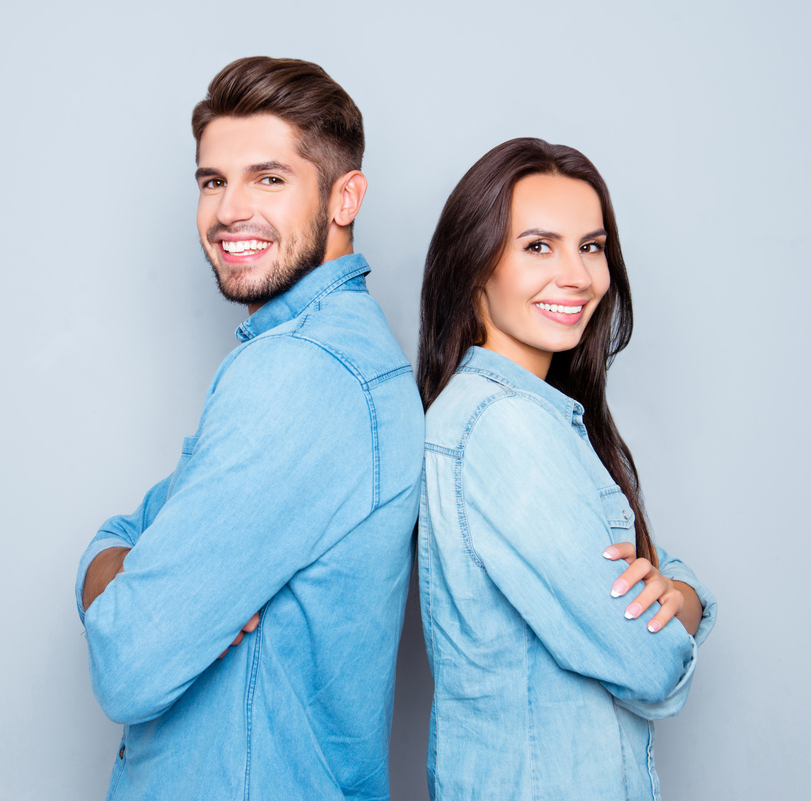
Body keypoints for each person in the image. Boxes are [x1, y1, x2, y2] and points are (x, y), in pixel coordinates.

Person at [75, 57, 424, 800]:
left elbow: (129, 660)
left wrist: (124, 576)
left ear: (344, 196)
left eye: (268, 178)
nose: (230, 210)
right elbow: (132, 529)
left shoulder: (301, 374)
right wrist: (127, 568)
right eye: (212, 181)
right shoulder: (332, 356)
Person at [416, 138, 717, 800]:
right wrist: (687, 597)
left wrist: (678, 592)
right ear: (474, 265)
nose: (579, 276)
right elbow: (650, 662)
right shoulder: (506, 429)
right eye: (538, 246)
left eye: (591, 245)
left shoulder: (520, 417)